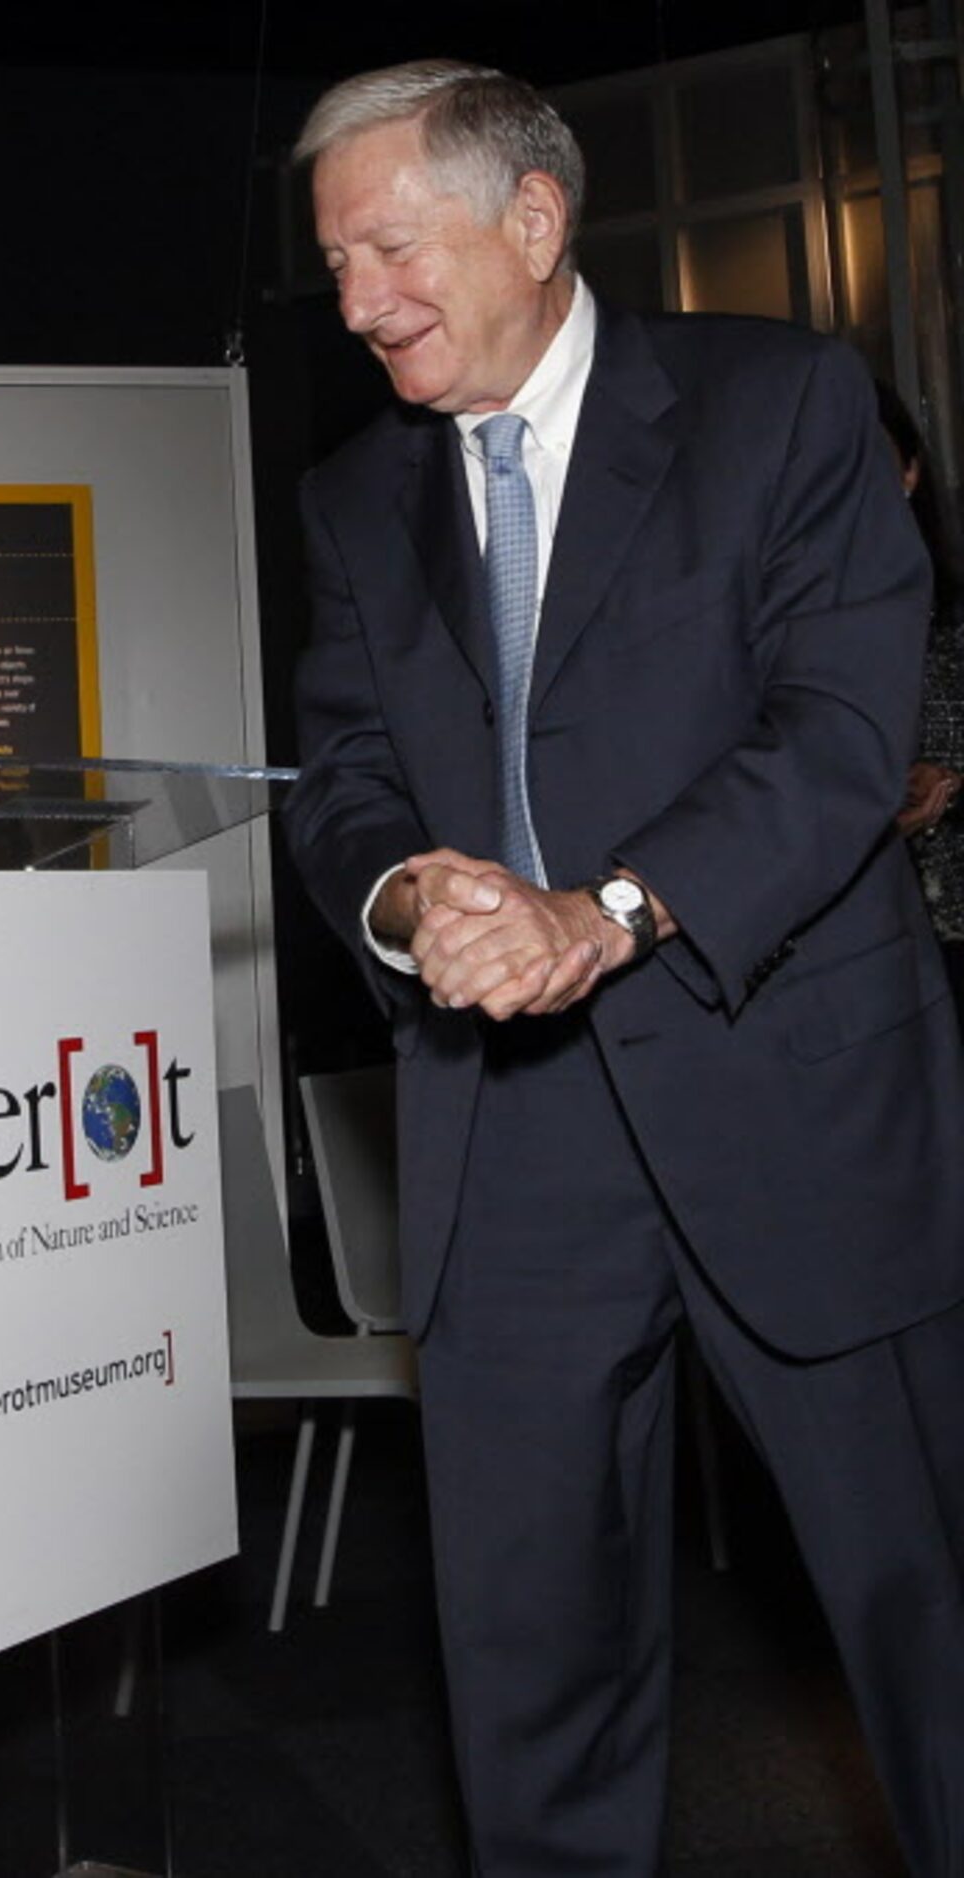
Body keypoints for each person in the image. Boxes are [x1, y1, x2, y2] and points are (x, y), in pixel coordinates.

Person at [283, 61, 964, 1877]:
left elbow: (834, 734)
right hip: (503, 1147)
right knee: (531, 1667)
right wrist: (405, 904)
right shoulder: (354, 499)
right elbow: (338, 777)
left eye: (383, 247)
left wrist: (607, 907)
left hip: (787, 1093)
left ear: (528, 217)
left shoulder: (777, 406)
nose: (354, 302)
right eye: (332, 263)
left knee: (925, 1617)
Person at [878, 383, 964, 1006]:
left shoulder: (951, 613)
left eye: (872, 460)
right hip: (867, 937)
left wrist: (950, 785)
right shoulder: (780, 618)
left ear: (909, 471)